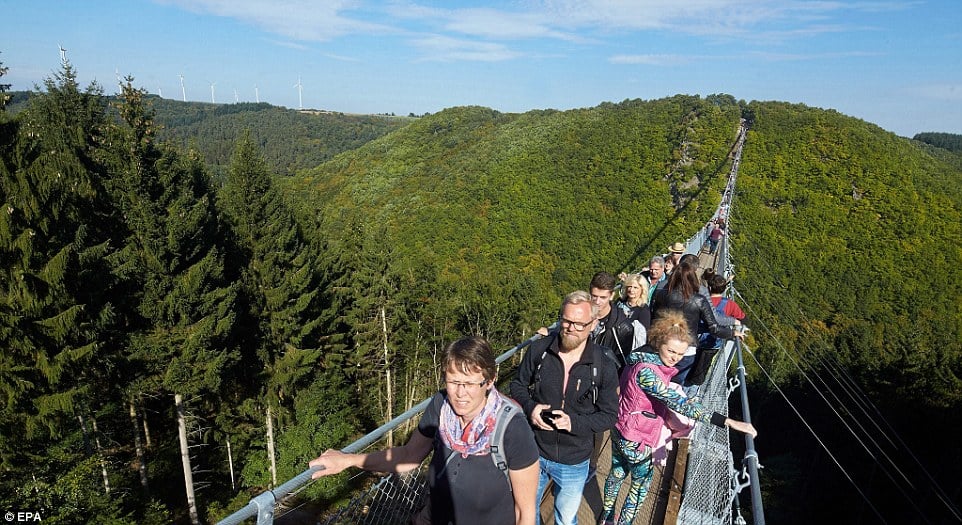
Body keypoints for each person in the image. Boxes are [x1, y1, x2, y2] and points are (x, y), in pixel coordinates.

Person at [310, 336, 540, 525]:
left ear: (490, 381)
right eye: (452, 382)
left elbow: (525, 513)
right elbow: (410, 456)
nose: (460, 393)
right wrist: (348, 460)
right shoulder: (440, 406)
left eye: (469, 384)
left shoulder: (512, 428)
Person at [599, 311, 758, 525]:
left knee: (617, 473)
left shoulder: (640, 356)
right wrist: (728, 421)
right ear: (658, 343)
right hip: (638, 436)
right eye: (671, 351)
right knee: (640, 487)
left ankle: (607, 518)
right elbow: (679, 403)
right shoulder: (648, 372)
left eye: (680, 354)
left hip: (620, 426)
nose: (675, 358)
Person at [509, 291, 619, 525]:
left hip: (574, 458)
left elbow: (609, 416)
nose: (570, 328)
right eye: (566, 320)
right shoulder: (539, 351)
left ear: (593, 325)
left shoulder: (603, 366)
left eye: (579, 324)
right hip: (533, 451)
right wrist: (530, 407)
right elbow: (517, 384)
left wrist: (574, 423)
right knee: (525, 512)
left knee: (566, 518)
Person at [650, 261, 744, 384]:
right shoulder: (699, 300)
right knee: (674, 385)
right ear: (693, 279)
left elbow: (654, 318)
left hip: (663, 344)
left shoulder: (661, 294)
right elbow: (714, 328)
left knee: (655, 380)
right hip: (686, 348)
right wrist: (732, 333)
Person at [616, 273, 651, 347]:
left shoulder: (643, 310)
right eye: (630, 286)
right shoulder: (619, 302)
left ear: (642, 290)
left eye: (635, 287)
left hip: (629, 345)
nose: (631, 290)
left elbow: (643, 334)